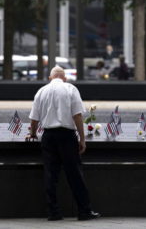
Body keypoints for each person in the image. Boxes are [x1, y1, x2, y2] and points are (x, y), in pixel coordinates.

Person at [27, 66, 100, 221]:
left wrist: (33, 134)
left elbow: (34, 119)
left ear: (50, 78)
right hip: (67, 136)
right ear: (64, 78)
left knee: (50, 175)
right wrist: (82, 138)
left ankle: (53, 212)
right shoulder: (70, 89)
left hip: (48, 136)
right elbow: (78, 116)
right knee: (75, 174)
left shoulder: (41, 91)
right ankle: (84, 211)